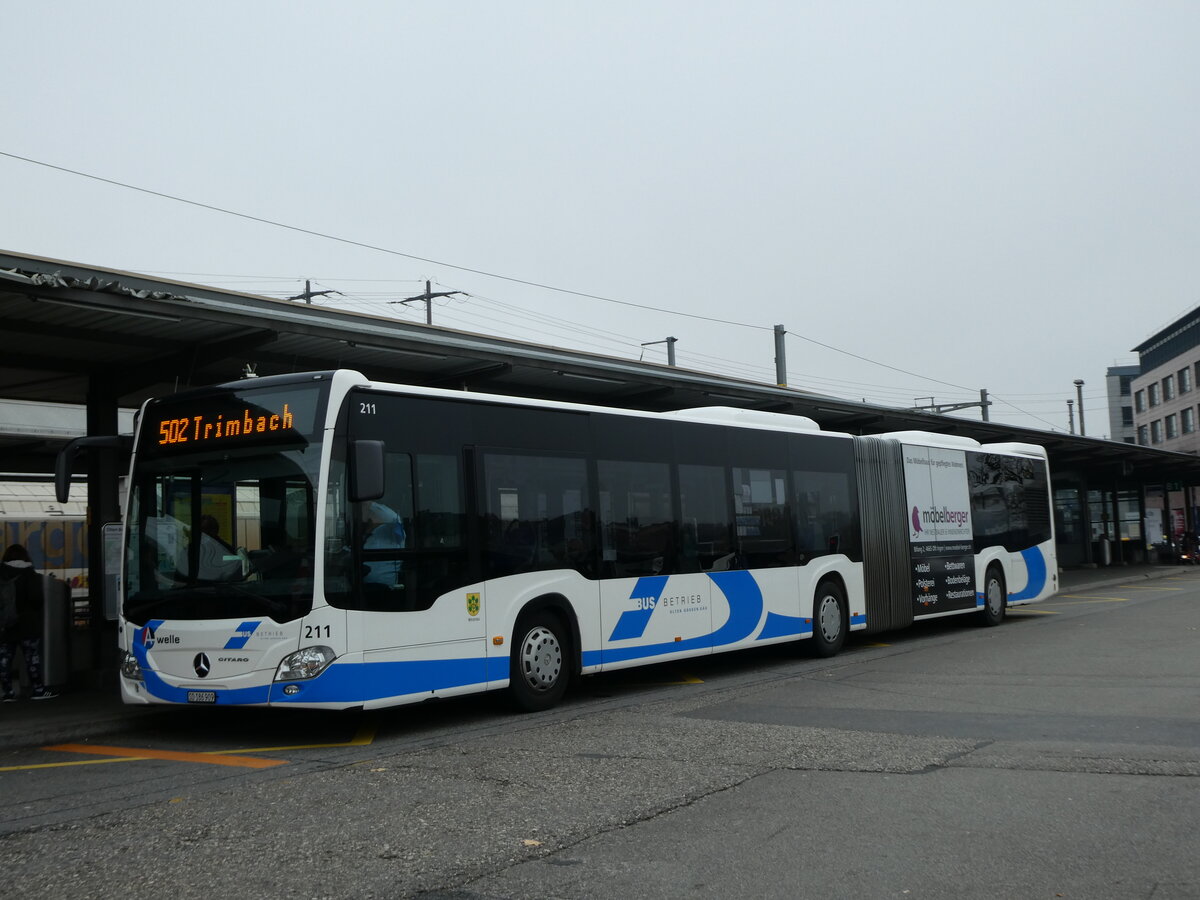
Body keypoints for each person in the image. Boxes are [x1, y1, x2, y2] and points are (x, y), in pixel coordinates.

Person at [0, 544, 57, 701]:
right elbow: (36, 599)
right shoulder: (29, 574)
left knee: (5, 659)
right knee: (31, 658)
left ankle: (8, 693)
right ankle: (38, 690)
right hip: (27, 623)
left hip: (6, 624)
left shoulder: (1, 573)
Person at [362, 501, 405, 585]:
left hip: (383, 587)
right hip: (363, 584)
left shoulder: (392, 531)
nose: (369, 517)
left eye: (372, 514)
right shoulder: (368, 534)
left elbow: (395, 519)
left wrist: (370, 505)